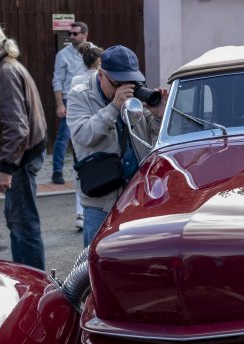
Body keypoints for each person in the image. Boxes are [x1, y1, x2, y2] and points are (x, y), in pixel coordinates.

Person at [0, 19, 48, 270]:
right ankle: (23, 280)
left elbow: (17, 128)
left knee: (24, 226)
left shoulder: (5, 72)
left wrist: (5, 169)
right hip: (18, 162)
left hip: (18, 163)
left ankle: (36, 288)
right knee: (16, 223)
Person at [68, 45, 166, 247]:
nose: (124, 89)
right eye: (117, 84)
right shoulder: (80, 95)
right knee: (95, 261)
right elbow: (83, 136)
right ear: (101, 74)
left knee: (136, 256)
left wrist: (157, 117)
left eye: (130, 82)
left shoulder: (134, 94)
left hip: (136, 193)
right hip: (101, 196)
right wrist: (113, 107)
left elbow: (150, 137)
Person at [51, 21, 91, 186]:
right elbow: (57, 80)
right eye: (70, 34)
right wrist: (60, 104)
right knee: (64, 136)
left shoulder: (92, 51)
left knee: (89, 134)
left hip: (89, 98)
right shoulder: (63, 55)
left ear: (84, 35)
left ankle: (85, 168)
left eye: (75, 34)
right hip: (70, 99)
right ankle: (57, 172)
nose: (72, 37)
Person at [70, 44, 103, 232]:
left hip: (82, 129)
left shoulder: (76, 80)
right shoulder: (100, 79)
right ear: (99, 62)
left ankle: (80, 211)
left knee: (80, 172)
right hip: (98, 128)